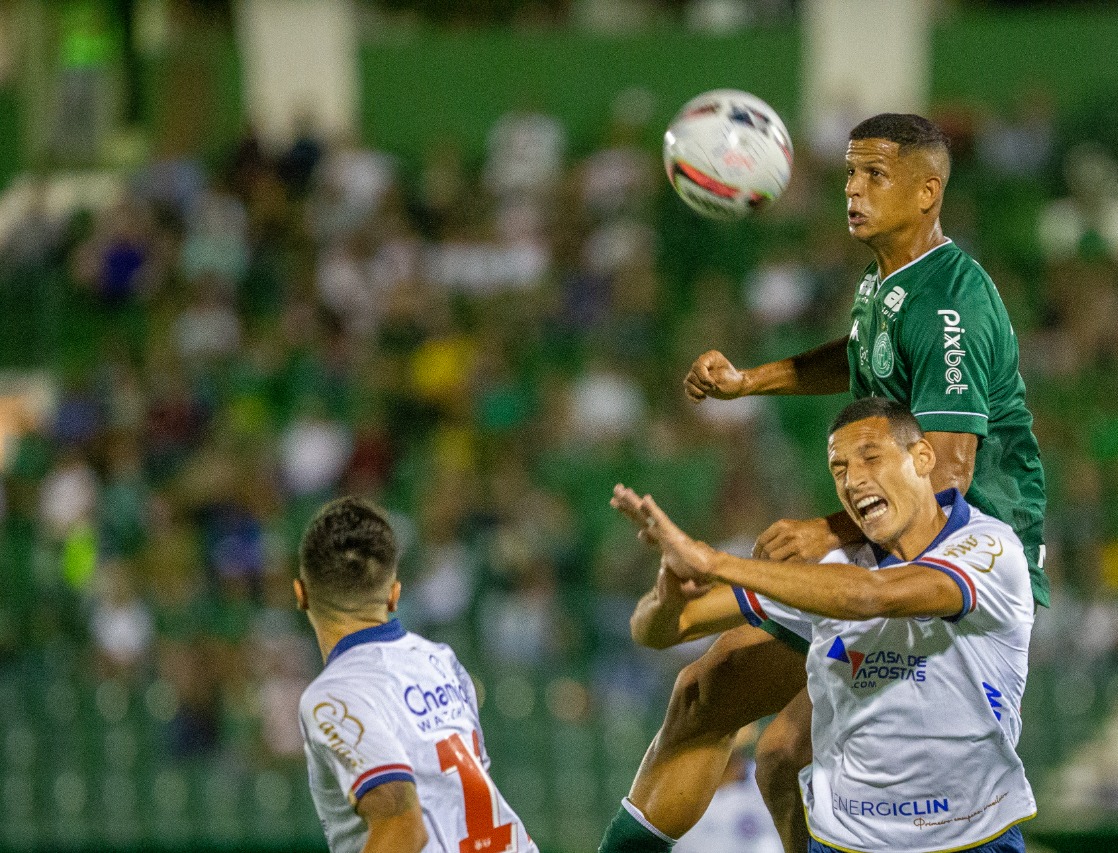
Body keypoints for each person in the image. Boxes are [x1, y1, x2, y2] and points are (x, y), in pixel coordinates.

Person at [598, 113, 1047, 853]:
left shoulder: (949, 303)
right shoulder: (891, 284)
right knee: (764, 745)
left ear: (928, 190)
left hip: (957, 549)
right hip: (890, 537)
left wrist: (828, 530)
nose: (853, 190)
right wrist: (750, 381)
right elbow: (863, 352)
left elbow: (952, 471)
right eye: (848, 174)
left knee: (739, 713)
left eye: (875, 175)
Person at [613, 398, 1038, 853]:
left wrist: (715, 563)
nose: (854, 481)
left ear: (923, 459)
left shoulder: (989, 548)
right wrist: (668, 597)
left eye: (871, 458)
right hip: (845, 844)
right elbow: (659, 630)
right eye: (839, 470)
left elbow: (873, 596)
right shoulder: (827, 570)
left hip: (972, 837)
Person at [294, 496, 538, 853]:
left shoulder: (333, 695)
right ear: (394, 595)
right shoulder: (442, 662)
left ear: (301, 595)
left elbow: (403, 827)